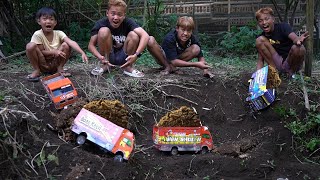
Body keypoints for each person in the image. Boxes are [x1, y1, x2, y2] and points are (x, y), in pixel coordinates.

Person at [26, 7, 88, 82]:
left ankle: (60, 69)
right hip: (43, 64)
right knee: (30, 46)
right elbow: (41, 51)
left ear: (55, 22)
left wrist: (82, 52)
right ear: (39, 21)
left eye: (51, 19)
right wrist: (54, 51)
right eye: (45, 19)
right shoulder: (37, 34)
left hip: (55, 63)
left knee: (66, 44)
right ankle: (37, 70)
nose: (48, 21)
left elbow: (70, 42)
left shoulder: (59, 33)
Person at [88, 0, 147, 77]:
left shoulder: (128, 22)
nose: (116, 17)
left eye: (119, 14)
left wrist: (136, 55)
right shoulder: (101, 23)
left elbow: (145, 36)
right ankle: (106, 65)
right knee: (103, 30)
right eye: (113, 14)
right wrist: (100, 57)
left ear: (124, 15)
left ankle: (127, 67)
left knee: (134, 35)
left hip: (125, 56)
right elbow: (90, 45)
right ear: (107, 13)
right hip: (108, 56)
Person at [147, 16, 213, 77]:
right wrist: (195, 64)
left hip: (177, 57)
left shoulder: (192, 38)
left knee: (196, 48)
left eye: (188, 30)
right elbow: (173, 61)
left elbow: (200, 55)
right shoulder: (170, 38)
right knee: (150, 40)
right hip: (164, 58)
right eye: (183, 30)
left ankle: (172, 67)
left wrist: (205, 70)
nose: (185, 33)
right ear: (177, 29)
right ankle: (167, 67)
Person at [255, 7, 309, 77]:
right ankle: (275, 72)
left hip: (290, 61)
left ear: (273, 19)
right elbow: (260, 60)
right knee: (259, 40)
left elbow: (294, 38)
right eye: (260, 20)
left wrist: (298, 40)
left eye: (266, 19)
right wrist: (257, 76)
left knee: (299, 48)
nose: (264, 22)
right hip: (277, 62)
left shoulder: (283, 27)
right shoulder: (261, 37)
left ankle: (291, 73)